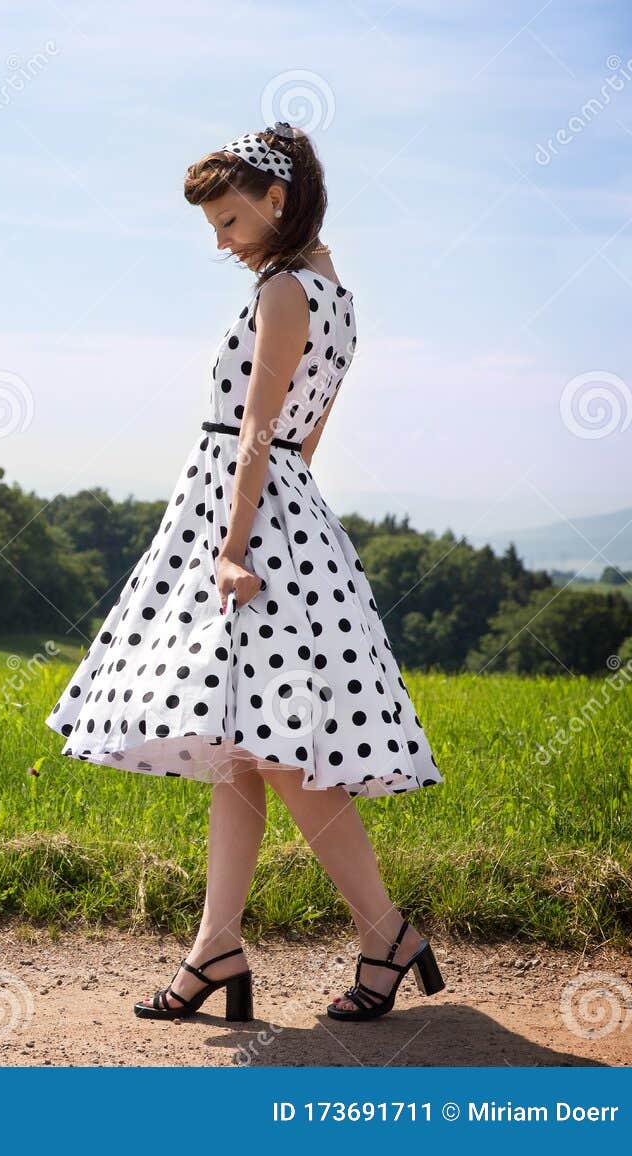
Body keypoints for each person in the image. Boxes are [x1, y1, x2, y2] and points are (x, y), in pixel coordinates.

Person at [43, 122, 446, 1023]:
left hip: (246, 518)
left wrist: (230, 546)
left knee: (285, 755)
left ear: (276, 201)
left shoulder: (283, 293)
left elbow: (260, 430)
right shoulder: (337, 292)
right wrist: (283, 520)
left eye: (228, 221)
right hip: (287, 509)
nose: (220, 243)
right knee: (242, 750)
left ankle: (385, 931)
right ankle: (215, 946)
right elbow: (311, 436)